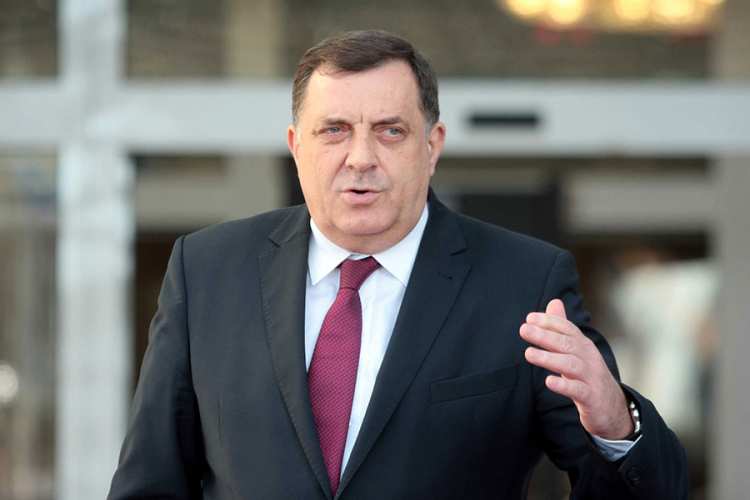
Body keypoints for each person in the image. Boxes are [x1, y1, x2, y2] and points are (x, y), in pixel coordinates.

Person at [108, 30, 688, 499]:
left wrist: (617, 424)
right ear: (296, 145)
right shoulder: (206, 273)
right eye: (334, 130)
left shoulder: (524, 284)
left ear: (431, 147)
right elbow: (149, 485)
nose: (360, 157)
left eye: (390, 131)